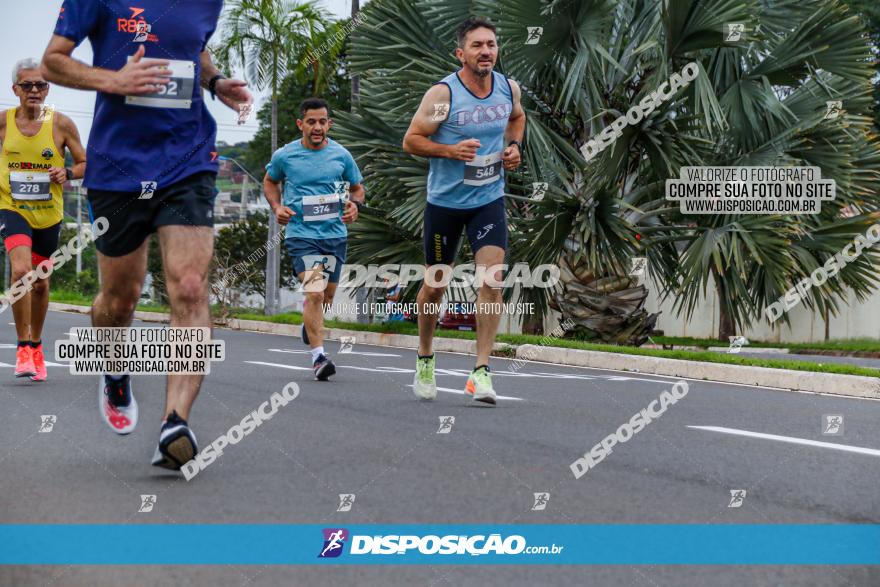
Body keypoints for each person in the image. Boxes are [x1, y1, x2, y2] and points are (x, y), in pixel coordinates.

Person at [43, 0, 252, 470]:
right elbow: (52, 61)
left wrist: (215, 82)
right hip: (117, 166)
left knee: (191, 287)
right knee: (120, 300)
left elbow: (192, 49)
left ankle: (174, 423)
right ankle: (115, 367)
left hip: (188, 160)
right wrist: (113, 80)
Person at [402, 17, 526, 405]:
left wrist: (515, 147)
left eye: (490, 44)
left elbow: (517, 118)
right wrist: (448, 151)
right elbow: (411, 140)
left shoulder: (508, 88)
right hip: (445, 205)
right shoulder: (444, 95)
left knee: (492, 280)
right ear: (461, 53)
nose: (485, 51)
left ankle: (482, 371)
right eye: (477, 45)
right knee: (435, 284)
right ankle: (425, 356)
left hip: (488, 200)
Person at [263, 98, 365, 381]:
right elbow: (270, 181)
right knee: (315, 292)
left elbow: (358, 188)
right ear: (301, 124)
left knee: (326, 297)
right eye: (311, 121)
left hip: (335, 235)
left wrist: (355, 205)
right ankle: (319, 357)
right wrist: (277, 208)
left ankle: (310, 323)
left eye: (322, 121)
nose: (317, 127)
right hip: (301, 235)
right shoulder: (286, 156)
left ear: (329, 124)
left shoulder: (342, 156)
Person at [0, 58, 86, 382]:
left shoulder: (61, 124)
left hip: (49, 214)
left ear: (47, 88)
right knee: (21, 271)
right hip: (13, 208)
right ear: (15, 90)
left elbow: (83, 163)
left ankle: (37, 345)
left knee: (40, 282)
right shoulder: (4, 123)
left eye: (40, 85)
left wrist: (68, 173)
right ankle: (22, 347)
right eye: (27, 85)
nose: (34, 91)